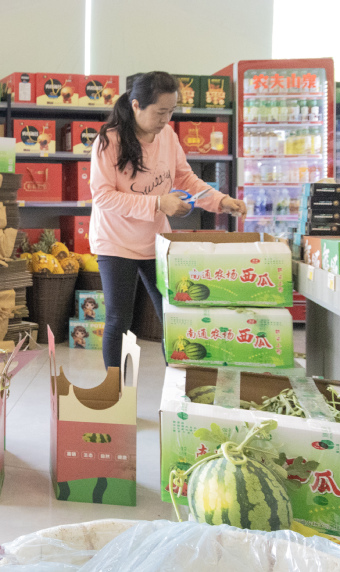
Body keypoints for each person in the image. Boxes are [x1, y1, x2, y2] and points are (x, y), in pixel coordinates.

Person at [89, 71, 247, 368]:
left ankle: (179, 382)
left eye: (171, 111)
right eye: (160, 112)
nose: (166, 119)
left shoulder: (168, 136)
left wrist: (221, 201)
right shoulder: (108, 141)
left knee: (173, 315)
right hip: (115, 241)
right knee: (119, 319)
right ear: (136, 105)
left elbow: (186, 178)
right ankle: (116, 390)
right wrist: (159, 203)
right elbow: (103, 197)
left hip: (155, 241)